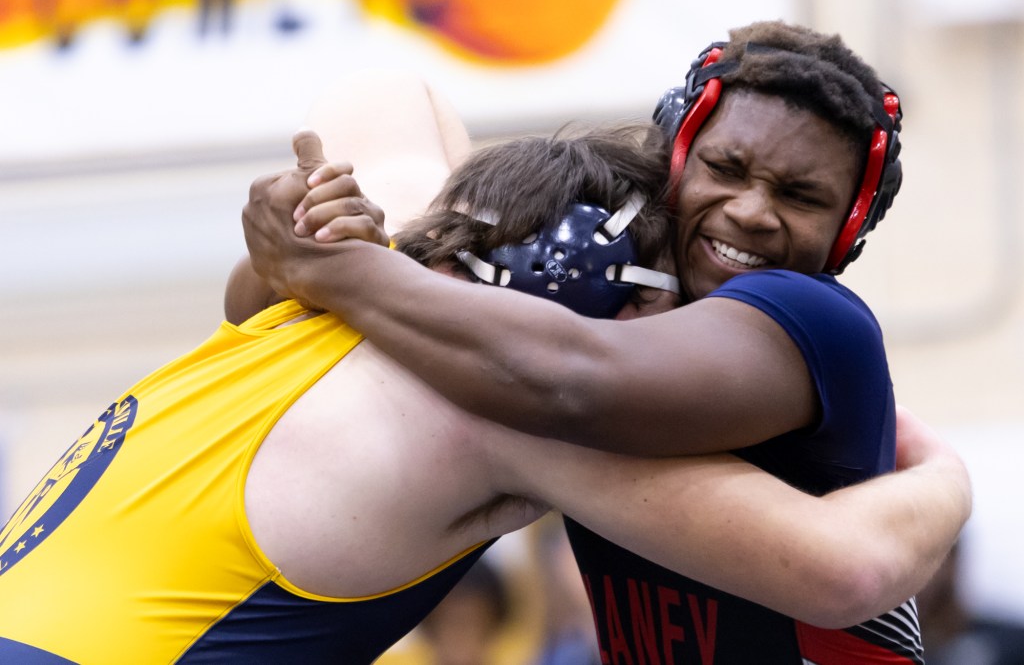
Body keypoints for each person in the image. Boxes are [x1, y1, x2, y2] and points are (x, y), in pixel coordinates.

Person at [1, 70, 969, 664]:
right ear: (606, 301)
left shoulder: (333, 284)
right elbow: (846, 569)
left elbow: (390, 93)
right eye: (659, 301)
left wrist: (359, 242)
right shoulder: (508, 414)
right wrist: (942, 475)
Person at [242, 22, 959, 662]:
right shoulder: (619, 278)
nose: (751, 213)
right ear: (675, 155)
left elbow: (571, 380)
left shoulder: (811, 314)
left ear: (848, 232)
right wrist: (332, 236)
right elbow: (251, 309)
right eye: (726, 169)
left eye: (800, 198)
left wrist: (340, 270)